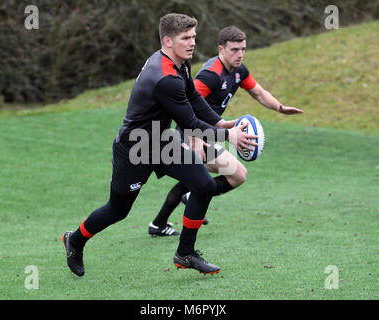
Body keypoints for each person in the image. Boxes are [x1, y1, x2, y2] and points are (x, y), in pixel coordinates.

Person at [62, 14, 257, 276]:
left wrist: (222, 124)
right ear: (167, 41)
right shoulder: (166, 78)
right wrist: (230, 137)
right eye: (185, 38)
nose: (192, 43)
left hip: (162, 140)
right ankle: (75, 239)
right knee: (118, 210)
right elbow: (190, 125)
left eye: (193, 37)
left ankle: (185, 253)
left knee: (204, 185)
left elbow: (194, 98)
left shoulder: (180, 63)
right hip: (136, 148)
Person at [148, 26, 303, 236]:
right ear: (221, 49)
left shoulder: (239, 71)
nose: (240, 55)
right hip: (192, 133)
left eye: (243, 49)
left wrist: (280, 107)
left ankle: (168, 216)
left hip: (212, 132)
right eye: (234, 50)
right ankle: (166, 224)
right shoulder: (211, 75)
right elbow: (186, 103)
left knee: (238, 175)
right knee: (195, 178)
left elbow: (258, 92)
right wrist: (193, 138)